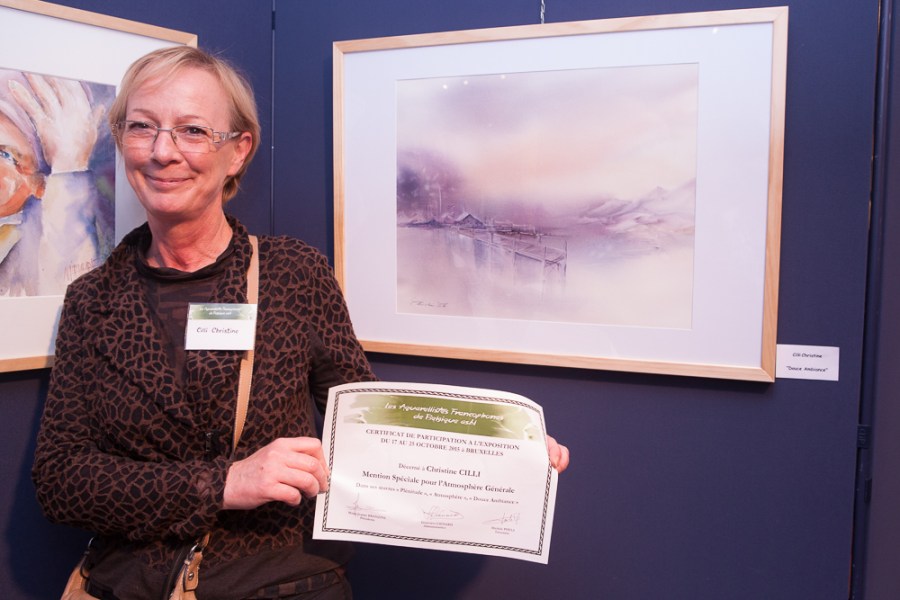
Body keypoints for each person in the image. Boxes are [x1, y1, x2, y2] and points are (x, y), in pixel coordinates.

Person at [32, 46, 569, 600]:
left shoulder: (293, 274)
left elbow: (367, 424)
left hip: (282, 583)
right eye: (142, 127)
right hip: (130, 586)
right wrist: (224, 484)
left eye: (192, 130)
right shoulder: (92, 301)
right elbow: (60, 479)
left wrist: (498, 452)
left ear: (238, 151)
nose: (163, 151)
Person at [0, 71, 114, 296]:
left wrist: (69, 166)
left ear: (40, 186)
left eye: (4, 155)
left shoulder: (25, 263)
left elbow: (70, 299)